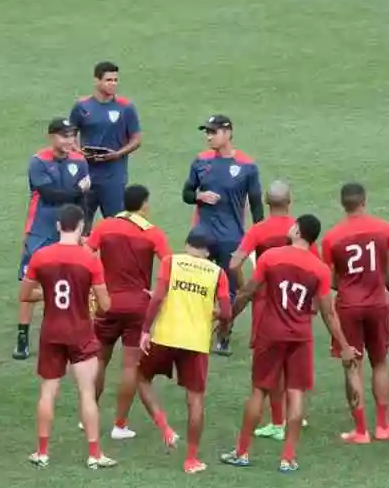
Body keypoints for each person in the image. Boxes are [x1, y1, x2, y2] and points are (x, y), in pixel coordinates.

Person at [223, 215, 356, 472]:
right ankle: (288, 457)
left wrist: (229, 318)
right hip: (300, 336)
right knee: (295, 394)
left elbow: (248, 291)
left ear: (296, 231)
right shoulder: (319, 269)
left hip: (270, 332)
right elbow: (328, 313)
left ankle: (242, 452)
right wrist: (345, 345)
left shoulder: (270, 258)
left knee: (259, 391)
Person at [19, 204, 117, 469]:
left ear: (58, 226)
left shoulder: (41, 256)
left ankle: (42, 452)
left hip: (51, 331)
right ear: (83, 227)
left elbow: (25, 295)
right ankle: (94, 454)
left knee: (48, 392)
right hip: (80, 331)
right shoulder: (90, 260)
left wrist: (48, 295)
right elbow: (106, 306)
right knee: (86, 393)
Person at [138, 227, 231, 473]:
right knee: (195, 399)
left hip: (165, 336)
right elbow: (227, 313)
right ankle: (191, 459)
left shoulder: (171, 262)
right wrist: (216, 318)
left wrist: (146, 330)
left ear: (187, 244)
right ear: (208, 252)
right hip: (196, 342)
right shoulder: (217, 273)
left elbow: (157, 298)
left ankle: (165, 428)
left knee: (142, 378)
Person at [86, 184, 173, 441]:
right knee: (130, 366)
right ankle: (119, 425)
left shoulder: (104, 226)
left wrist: (94, 286)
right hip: (137, 306)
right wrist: (155, 293)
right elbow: (169, 265)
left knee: (99, 360)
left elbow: (87, 254)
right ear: (144, 205)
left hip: (107, 302)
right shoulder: (153, 233)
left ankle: (89, 414)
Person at [227, 180, 314, 436]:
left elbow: (234, 263)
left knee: (271, 362)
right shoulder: (299, 229)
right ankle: (295, 415)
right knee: (293, 359)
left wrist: (249, 288)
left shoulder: (258, 230)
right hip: (297, 300)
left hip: (267, 302)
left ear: (266, 202)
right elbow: (314, 263)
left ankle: (278, 422)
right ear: (290, 200)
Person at [321, 182, 389, 443]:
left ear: (342, 204)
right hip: (377, 303)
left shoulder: (332, 238)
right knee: (380, 363)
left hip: (348, 306)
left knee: (352, 365)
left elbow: (329, 281)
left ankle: (361, 430)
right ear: (364, 201)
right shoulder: (385, 229)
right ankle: (384, 426)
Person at [13, 118, 91, 360]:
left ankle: (72, 333)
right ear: (51, 137)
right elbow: (50, 195)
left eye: (72, 136)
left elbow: (81, 202)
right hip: (40, 229)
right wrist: (79, 190)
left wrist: (84, 229)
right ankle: (22, 338)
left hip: (69, 231)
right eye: (64, 136)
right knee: (30, 283)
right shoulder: (38, 162)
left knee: (74, 280)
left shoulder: (80, 161)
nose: (69, 141)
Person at [181, 114, 263, 312]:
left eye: (213, 132)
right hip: (202, 235)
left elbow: (256, 205)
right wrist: (200, 196)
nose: (208, 137)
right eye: (207, 132)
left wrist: (260, 237)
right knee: (197, 285)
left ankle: (224, 334)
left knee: (229, 288)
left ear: (227, 133)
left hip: (231, 236)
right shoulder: (200, 161)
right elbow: (186, 194)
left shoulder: (247, 166)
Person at [71, 61, 142, 225]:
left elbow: (136, 139)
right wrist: (78, 151)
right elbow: (70, 136)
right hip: (86, 175)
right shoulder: (82, 107)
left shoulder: (126, 107)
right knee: (80, 224)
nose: (113, 84)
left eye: (115, 80)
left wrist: (117, 154)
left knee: (116, 224)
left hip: (114, 177)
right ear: (97, 81)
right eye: (108, 80)